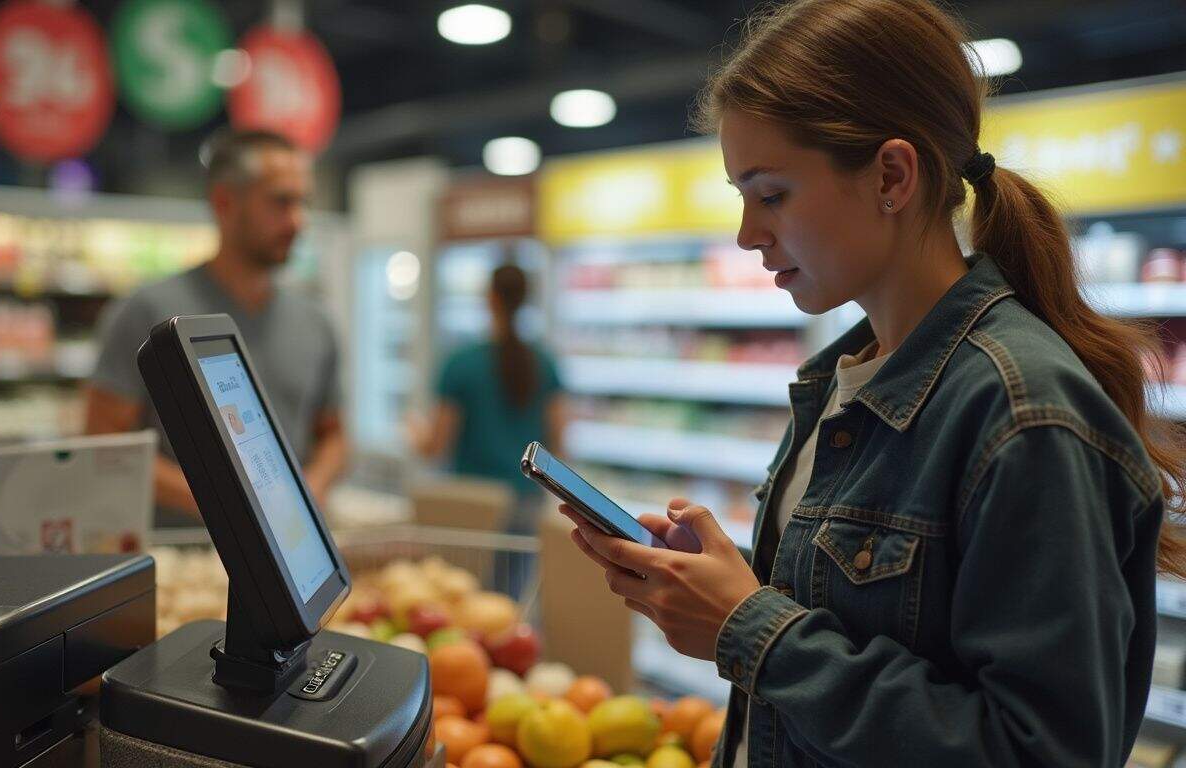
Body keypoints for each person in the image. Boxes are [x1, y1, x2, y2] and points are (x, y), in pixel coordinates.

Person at [560, 1, 1184, 766]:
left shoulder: (1022, 414)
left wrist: (755, 630)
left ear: (891, 175)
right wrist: (726, 592)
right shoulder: (844, 378)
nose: (747, 235)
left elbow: (1039, 751)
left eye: (772, 194)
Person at [86, 130, 348, 526]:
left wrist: (308, 493)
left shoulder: (316, 323)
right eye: (281, 201)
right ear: (224, 201)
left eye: (303, 202)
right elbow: (104, 440)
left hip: (290, 561)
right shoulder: (148, 312)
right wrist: (230, 505)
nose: (298, 221)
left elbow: (334, 434)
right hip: (178, 562)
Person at [410, 263, 567, 592]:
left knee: (462, 596)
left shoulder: (461, 363)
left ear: (489, 298)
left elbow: (435, 448)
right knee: (508, 605)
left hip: (471, 505)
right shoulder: (545, 363)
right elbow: (560, 443)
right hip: (525, 503)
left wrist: (414, 433)